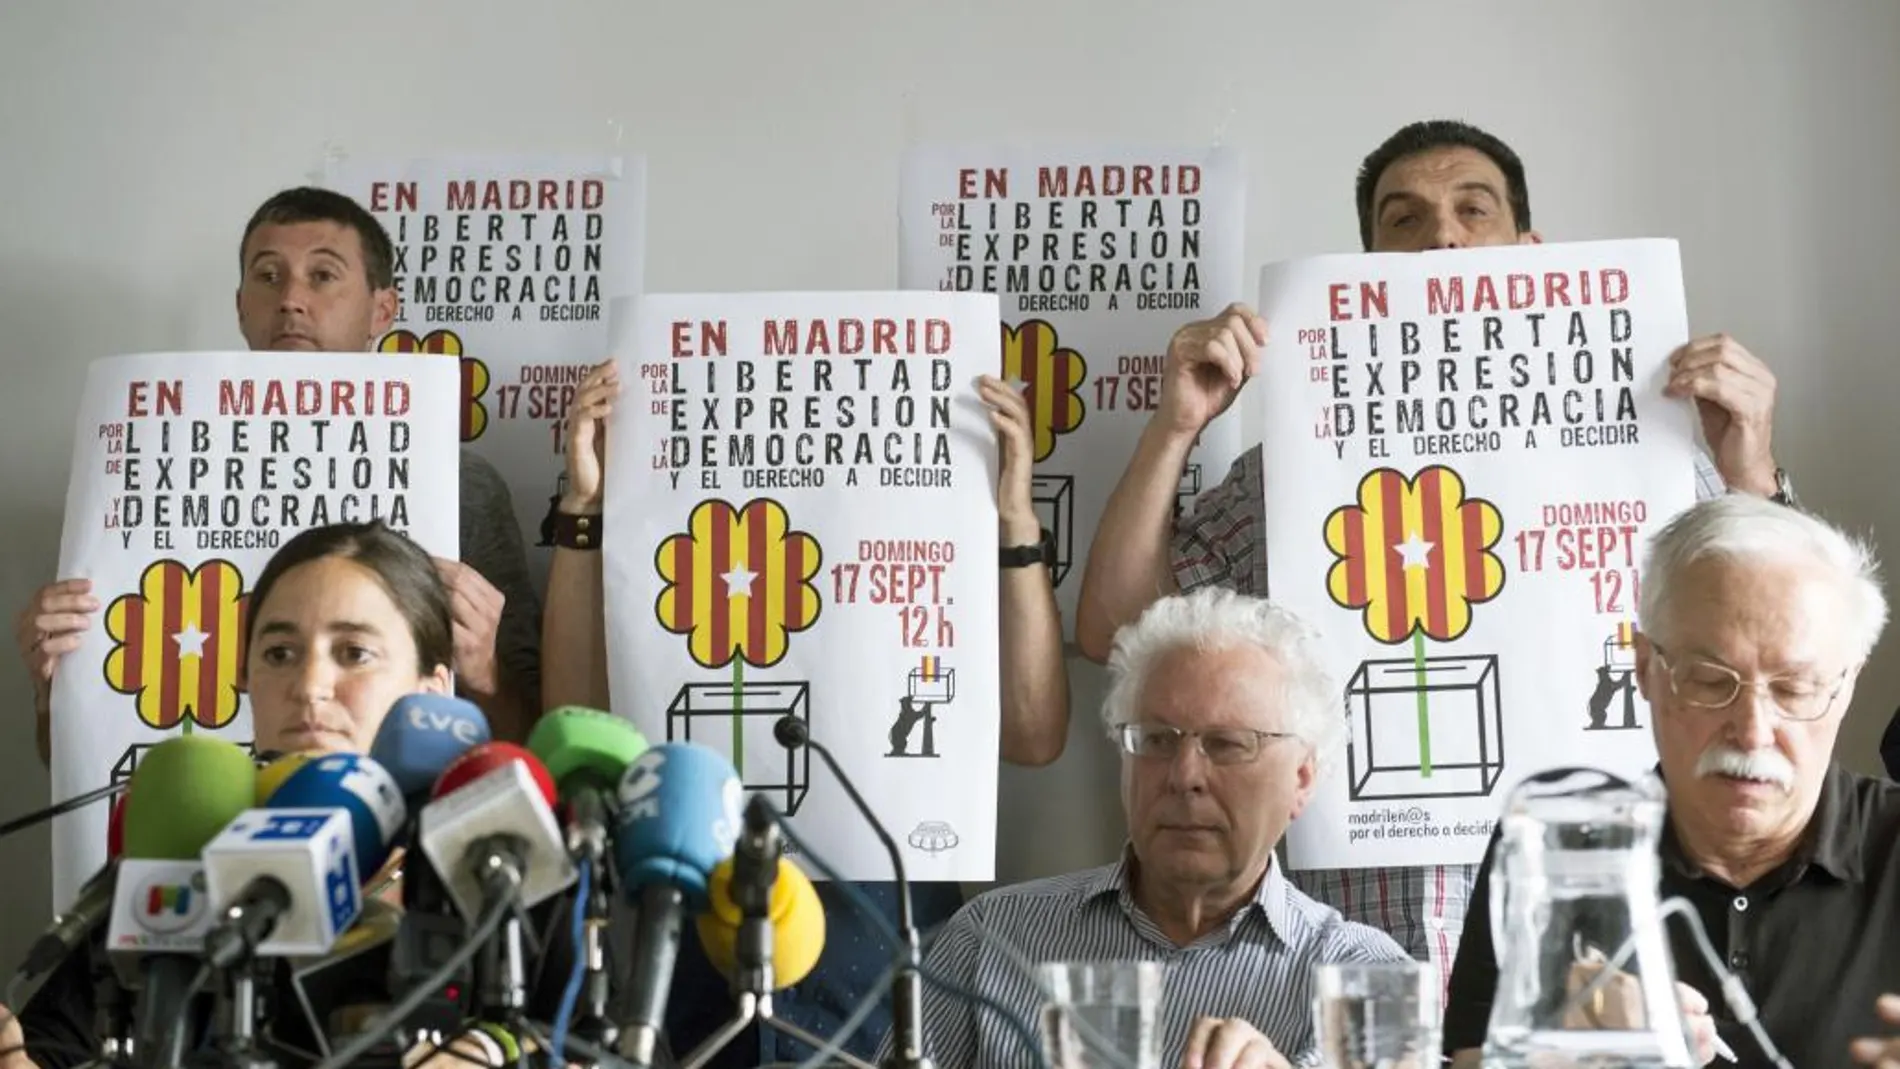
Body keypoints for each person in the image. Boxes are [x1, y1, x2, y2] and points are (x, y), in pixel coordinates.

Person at [1074, 119, 1795, 985]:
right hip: (1343, 961)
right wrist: (1178, 423)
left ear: (1530, 251)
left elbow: (1792, 651)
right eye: (1403, 219)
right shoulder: (1296, 472)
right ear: (1369, 263)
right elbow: (1115, 628)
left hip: (1589, 945)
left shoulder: (1652, 450)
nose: (1441, 237)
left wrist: (1748, 461)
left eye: (1472, 209)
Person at [538, 362, 1071, 1063]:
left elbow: (1035, 733)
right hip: (696, 969)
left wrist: (1014, 519)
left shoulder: (912, 577)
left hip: (884, 972)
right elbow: (573, 718)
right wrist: (587, 507)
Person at [14, 187, 542, 748]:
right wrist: (57, 692)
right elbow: (65, 760)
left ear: (381, 310)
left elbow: (530, 737)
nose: (291, 298)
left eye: (322, 276)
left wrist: (484, 672)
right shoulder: (140, 470)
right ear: (241, 304)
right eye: (269, 276)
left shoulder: (462, 485)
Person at [7, 521, 519, 1068]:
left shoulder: (493, 877)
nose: (309, 685)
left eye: (354, 652)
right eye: (279, 653)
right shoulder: (182, 865)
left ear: (432, 692)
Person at [1443, 495, 1900, 1068]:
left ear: (1846, 685)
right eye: (1711, 681)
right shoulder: (1557, 848)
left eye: (1794, 689)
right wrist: (1565, 1056)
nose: (1754, 732)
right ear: (1644, 669)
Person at [902, 587, 1408, 1069]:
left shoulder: (1367, 979)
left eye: (1228, 743)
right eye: (1157, 740)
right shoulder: (989, 939)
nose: (1184, 776)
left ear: (1301, 778)